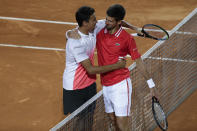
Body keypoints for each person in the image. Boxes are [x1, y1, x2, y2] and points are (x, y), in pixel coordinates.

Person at [63, 6, 126, 131]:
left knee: (90, 116)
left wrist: (136, 29)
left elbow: (117, 21)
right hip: (75, 87)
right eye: (93, 20)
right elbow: (90, 69)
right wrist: (117, 66)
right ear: (85, 23)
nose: (97, 21)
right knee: (78, 120)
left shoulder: (93, 28)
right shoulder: (75, 42)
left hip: (89, 83)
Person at [96, 4, 156, 131]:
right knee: (112, 120)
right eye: (106, 19)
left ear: (118, 22)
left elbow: (139, 62)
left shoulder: (127, 39)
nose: (106, 22)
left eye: (110, 20)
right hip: (105, 85)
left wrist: (151, 85)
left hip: (120, 85)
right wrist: (135, 28)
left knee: (122, 125)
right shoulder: (100, 31)